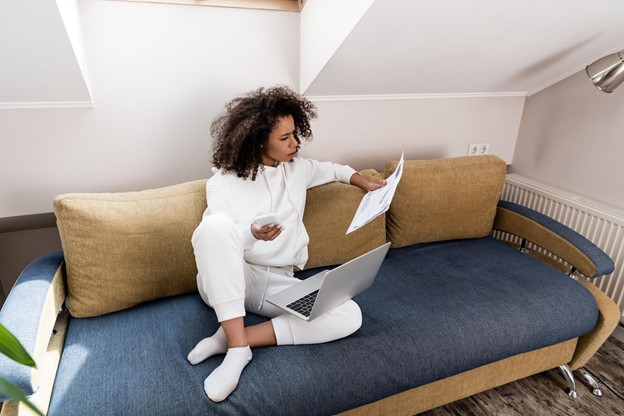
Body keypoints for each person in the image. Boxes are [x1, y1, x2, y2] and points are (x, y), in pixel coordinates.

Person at [187, 86, 387, 402]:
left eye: (295, 134)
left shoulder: (298, 169)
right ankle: (238, 352)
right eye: (285, 138)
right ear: (257, 140)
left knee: (349, 314)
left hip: (278, 282)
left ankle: (234, 338)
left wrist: (365, 183)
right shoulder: (222, 184)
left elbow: (334, 169)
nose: (295, 143)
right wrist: (252, 233)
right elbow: (217, 243)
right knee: (215, 226)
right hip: (233, 277)